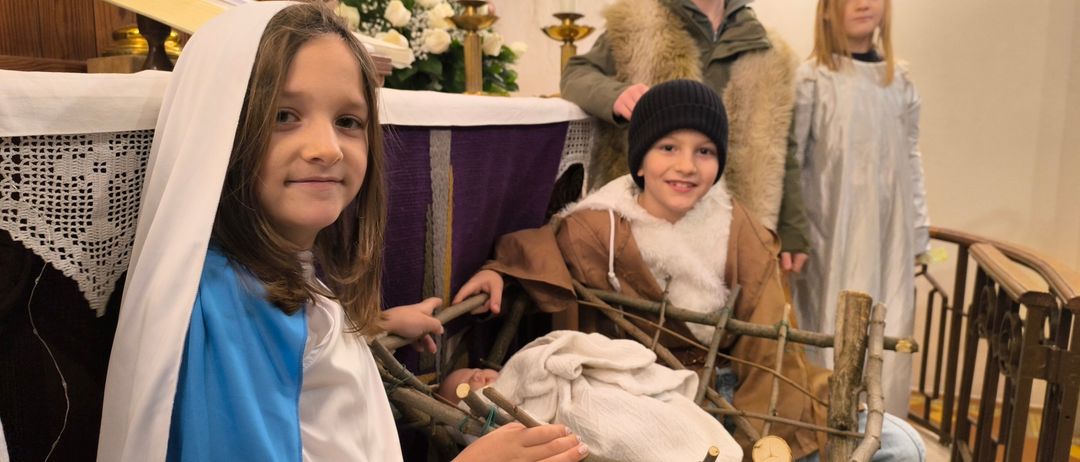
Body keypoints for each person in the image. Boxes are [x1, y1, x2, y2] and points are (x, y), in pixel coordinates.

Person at [97, 3, 587, 461]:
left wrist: (372, 325)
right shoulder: (230, 306)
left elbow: (303, 373)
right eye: (284, 116)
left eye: (348, 121)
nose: (327, 148)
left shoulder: (267, 273)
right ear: (222, 130)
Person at [473, 80, 925, 461]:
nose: (686, 166)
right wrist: (500, 271)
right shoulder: (601, 226)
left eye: (704, 151)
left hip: (739, 388)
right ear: (641, 158)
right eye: (668, 147)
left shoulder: (734, 224)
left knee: (900, 444)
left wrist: (757, 435)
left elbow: (768, 337)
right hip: (654, 397)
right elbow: (541, 246)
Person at [560, 0, 812, 274]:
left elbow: (781, 147)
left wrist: (792, 229)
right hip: (645, 219)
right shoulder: (635, 24)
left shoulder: (769, 51)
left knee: (723, 303)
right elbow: (576, 74)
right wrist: (614, 95)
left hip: (735, 224)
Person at [791, 0, 930, 418]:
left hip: (891, 235)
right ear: (828, 10)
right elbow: (793, 161)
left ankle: (884, 434)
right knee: (830, 327)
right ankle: (824, 431)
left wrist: (919, 232)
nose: (864, 4)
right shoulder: (812, 79)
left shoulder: (899, 82)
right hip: (831, 233)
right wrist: (793, 232)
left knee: (886, 329)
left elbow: (910, 158)